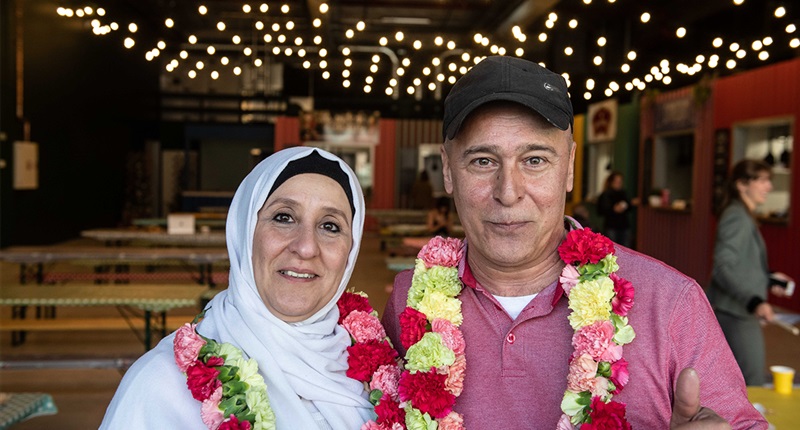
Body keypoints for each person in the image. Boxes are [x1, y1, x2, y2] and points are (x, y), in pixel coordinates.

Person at [382, 56, 765, 428]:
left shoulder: (669, 303)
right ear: (448, 171)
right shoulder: (408, 299)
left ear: (568, 167)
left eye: (535, 160)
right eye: (483, 161)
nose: (509, 192)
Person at [101, 147, 375, 429]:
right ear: (244, 231)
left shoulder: (381, 375)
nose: (306, 247)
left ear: (350, 249)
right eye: (284, 217)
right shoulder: (162, 386)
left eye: (330, 226)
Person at [707, 159, 794, 386]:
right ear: (742, 185)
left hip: (738, 311)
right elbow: (722, 267)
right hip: (736, 313)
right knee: (752, 381)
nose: (769, 187)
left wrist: (768, 277)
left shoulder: (742, 215)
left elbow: (740, 264)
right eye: (762, 180)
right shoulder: (736, 217)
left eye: (769, 180)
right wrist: (755, 300)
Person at [597, 172, 633, 247]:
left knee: (625, 249)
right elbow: (600, 210)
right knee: (611, 248)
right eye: (616, 182)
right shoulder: (606, 194)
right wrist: (613, 209)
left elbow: (629, 207)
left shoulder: (623, 193)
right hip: (611, 226)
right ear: (611, 182)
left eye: (620, 182)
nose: (618, 184)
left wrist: (627, 205)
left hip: (624, 226)